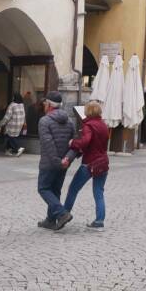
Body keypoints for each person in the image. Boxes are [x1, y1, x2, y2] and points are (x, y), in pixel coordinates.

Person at [62, 100, 109, 229]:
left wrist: (72, 143)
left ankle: (64, 214)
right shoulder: (103, 125)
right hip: (103, 162)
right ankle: (99, 221)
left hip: (90, 163)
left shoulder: (89, 125)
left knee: (73, 189)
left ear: (88, 111)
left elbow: (85, 142)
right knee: (98, 192)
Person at [36, 91, 75, 230]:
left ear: (49, 105)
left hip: (49, 163)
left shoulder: (44, 121)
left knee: (44, 188)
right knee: (55, 190)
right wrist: (67, 159)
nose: (44, 105)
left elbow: (48, 145)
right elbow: (74, 144)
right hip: (63, 163)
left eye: (45, 103)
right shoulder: (70, 121)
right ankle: (50, 220)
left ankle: (62, 213)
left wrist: (58, 162)